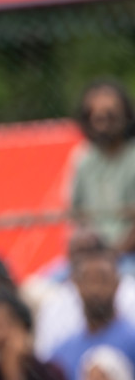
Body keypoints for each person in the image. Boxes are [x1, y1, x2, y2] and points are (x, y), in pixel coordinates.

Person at [49, 247, 135, 380]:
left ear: (117, 283)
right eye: (88, 280)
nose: (95, 289)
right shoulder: (61, 351)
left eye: (103, 280)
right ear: (77, 285)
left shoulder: (132, 340)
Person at [69, 81, 135, 266]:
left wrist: (114, 253)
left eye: (110, 116)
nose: (102, 124)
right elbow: (77, 216)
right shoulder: (83, 159)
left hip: (128, 257)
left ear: (126, 116)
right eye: (95, 117)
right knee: (40, 288)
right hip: (91, 257)